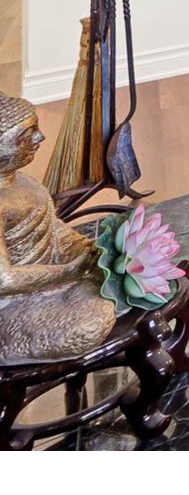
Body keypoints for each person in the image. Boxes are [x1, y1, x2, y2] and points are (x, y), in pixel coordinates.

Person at [0, 95, 118, 362]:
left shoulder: (24, 183)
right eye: (27, 134)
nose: (40, 138)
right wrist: (72, 269)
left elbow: (56, 230)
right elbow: (4, 280)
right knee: (92, 321)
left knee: (121, 276)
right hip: (13, 301)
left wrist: (89, 250)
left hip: (57, 276)